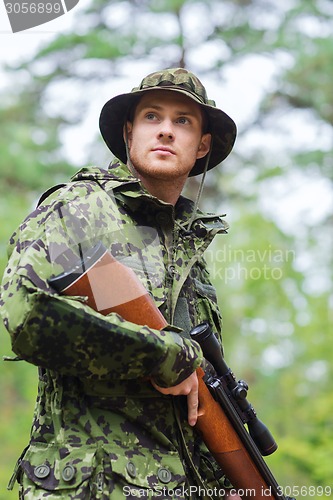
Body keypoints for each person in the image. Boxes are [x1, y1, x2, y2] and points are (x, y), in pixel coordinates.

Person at [1, 68, 241, 499]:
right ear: (130, 132)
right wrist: (161, 353)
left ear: (202, 144)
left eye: (183, 121)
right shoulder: (79, 208)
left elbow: (187, 408)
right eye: (153, 117)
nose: (166, 131)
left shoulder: (191, 256)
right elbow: (24, 311)